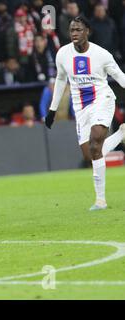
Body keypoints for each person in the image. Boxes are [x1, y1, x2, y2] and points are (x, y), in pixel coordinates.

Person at [45, 16, 125, 211]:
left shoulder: (102, 54)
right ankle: (122, 134)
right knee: (91, 155)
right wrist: (52, 110)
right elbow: (61, 81)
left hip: (102, 100)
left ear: (87, 31)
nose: (74, 34)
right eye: (72, 30)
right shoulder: (63, 54)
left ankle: (100, 201)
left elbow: (120, 77)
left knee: (96, 139)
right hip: (80, 107)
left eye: (78, 30)